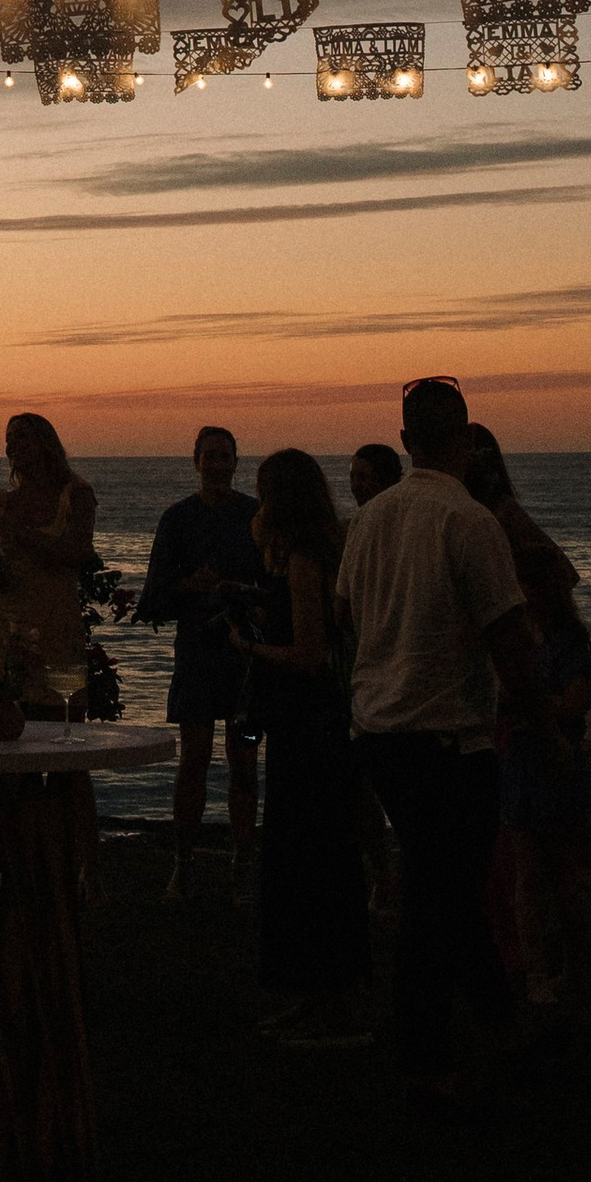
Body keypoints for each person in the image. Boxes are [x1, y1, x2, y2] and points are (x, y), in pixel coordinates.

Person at [336, 377, 550, 1095]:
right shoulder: (467, 521)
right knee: (440, 898)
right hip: (448, 737)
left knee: (444, 889)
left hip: (380, 730)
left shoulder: (370, 519)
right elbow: (508, 634)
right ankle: (426, 1054)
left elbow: (347, 615)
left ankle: (498, 1020)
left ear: (405, 441)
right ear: (466, 438)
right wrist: (539, 720)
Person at [228, 447, 368, 1044]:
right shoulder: (295, 557)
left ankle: (331, 1001)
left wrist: (251, 649)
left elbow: (310, 654)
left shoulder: (307, 562)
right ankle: (313, 995)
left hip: (312, 728)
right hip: (302, 725)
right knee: (297, 859)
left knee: (312, 860)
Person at [135, 426, 261, 896]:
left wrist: (232, 589)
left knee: (244, 760)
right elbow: (155, 596)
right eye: (209, 456)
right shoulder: (177, 520)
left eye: (223, 456)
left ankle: (241, 860)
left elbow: (273, 584)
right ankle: (183, 860)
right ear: (195, 461)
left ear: (235, 460)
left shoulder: (255, 516)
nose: (216, 464)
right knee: (194, 759)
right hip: (197, 658)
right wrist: (193, 585)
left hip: (245, 658)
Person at [498, 541, 591, 1005]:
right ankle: (538, 969)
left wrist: (533, 706)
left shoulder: (567, 640)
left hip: (553, 760)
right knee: (530, 873)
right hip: (523, 758)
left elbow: (575, 701)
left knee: (560, 875)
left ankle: (573, 970)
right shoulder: (515, 641)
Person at [0, 413, 97, 694]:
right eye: (8, 439)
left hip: (55, 623)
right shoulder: (3, 503)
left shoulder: (76, 495)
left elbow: (77, 553)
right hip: (3, 623)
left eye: (21, 437)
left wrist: (19, 532)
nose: (12, 445)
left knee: (57, 711)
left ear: (45, 443)